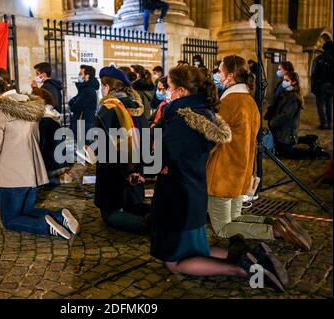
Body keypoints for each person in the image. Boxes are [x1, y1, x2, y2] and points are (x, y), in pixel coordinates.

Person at [150, 65, 287, 292]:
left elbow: (162, 157)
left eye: (170, 88)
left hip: (175, 196)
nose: (167, 92)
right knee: (195, 247)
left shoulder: (178, 118)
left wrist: (152, 143)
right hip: (193, 191)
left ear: (182, 91)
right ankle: (252, 255)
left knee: (175, 262)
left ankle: (245, 270)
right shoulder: (203, 114)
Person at [206, 55, 312, 251]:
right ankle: (274, 222)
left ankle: (277, 231)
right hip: (242, 172)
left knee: (222, 227)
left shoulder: (229, 103)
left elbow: (213, 139)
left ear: (230, 76)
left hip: (222, 174)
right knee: (236, 217)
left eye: (219, 71)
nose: (217, 75)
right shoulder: (250, 102)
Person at [0, 80, 80, 240]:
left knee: (9, 220)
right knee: (26, 211)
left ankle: (45, 226)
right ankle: (59, 216)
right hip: (33, 171)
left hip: (11, 174)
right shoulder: (31, 105)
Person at [94, 66, 151, 235]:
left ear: (107, 87)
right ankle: (167, 215)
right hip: (136, 165)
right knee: (134, 204)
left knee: (109, 214)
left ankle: (153, 226)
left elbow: (103, 144)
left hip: (114, 169)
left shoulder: (108, 108)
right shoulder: (136, 105)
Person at [268, 71, 330, 159]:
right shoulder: (287, 93)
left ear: (293, 82)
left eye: (286, 80)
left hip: (287, 132)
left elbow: (285, 115)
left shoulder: (292, 97)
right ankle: (307, 139)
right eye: (283, 80)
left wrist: (272, 122)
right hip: (285, 131)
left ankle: (315, 153)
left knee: (289, 154)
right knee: (283, 149)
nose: (284, 82)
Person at [32, 87, 68, 182]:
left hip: (51, 167)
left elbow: (40, 148)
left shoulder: (45, 120)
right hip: (59, 164)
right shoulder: (53, 116)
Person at [68, 65, 100, 142]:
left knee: (83, 149)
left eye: (80, 74)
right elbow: (73, 101)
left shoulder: (88, 89)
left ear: (87, 75)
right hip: (83, 123)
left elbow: (76, 106)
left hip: (84, 124)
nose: (79, 75)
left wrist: (72, 104)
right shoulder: (85, 88)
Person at [311, 40, 333, 130]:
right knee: (329, 105)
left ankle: (324, 123)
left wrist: (314, 87)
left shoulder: (318, 59)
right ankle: (330, 124)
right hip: (331, 86)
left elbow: (313, 73)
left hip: (321, 85)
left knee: (320, 105)